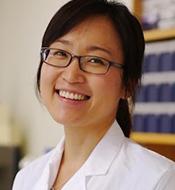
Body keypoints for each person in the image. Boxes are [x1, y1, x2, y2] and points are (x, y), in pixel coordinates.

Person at [13, 0, 175, 189]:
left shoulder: (158, 180)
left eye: (95, 60)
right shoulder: (27, 177)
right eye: (60, 53)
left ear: (128, 85)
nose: (71, 75)